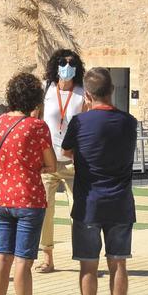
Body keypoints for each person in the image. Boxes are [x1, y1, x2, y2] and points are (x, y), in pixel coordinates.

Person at [61, 67, 138, 295]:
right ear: (113, 90)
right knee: (118, 263)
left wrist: (84, 113)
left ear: (88, 94)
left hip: (88, 202)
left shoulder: (80, 123)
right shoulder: (129, 122)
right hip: (120, 202)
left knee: (88, 267)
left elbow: (66, 152)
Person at [0, 72, 58, 295]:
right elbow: (50, 163)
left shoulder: (0, 122)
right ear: (36, 99)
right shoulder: (37, 127)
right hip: (28, 198)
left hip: (1, 196)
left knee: (1, 255)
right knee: (23, 261)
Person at [37, 48, 87, 273]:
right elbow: (36, 121)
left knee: (78, 209)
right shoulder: (46, 91)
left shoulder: (82, 93)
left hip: (73, 161)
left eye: (71, 63)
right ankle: (47, 256)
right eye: (62, 62)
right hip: (48, 160)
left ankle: (83, 253)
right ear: (55, 66)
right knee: (45, 210)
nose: (67, 67)